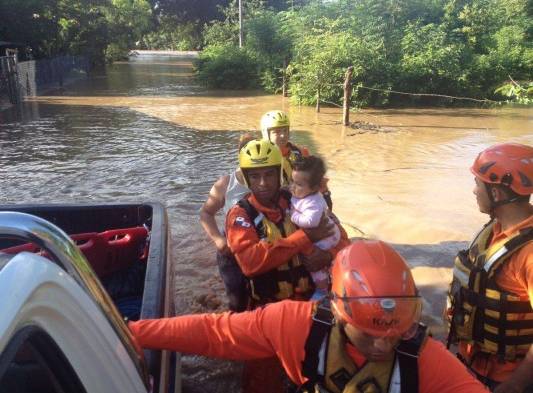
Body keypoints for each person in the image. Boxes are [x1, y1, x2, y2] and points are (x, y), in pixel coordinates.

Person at [130, 240, 489, 393]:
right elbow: (215, 333)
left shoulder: (425, 358)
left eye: (395, 333)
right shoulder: (292, 323)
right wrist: (133, 332)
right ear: (337, 310)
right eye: (369, 333)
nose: (384, 344)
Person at [225, 138, 349, 393]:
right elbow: (250, 263)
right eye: (255, 176)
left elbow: (343, 239)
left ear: (280, 172)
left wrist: (329, 255)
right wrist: (305, 237)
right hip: (267, 311)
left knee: (313, 373)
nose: (263, 183)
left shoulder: (303, 198)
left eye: (269, 174)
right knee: (261, 382)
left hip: (309, 305)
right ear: (246, 179)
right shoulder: (240, 215)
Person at [446, 143, 533, 392]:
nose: (474, 191)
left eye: (478, 184)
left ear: (496, 193)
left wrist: (513, 386)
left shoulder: (529, 254)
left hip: (507, 378)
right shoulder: (493, 230)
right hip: (472, 363)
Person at [199, 133, 254, 312]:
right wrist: (218, 241)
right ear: (240, 156)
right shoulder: (226, 184)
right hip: (232, 248)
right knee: (237, 300)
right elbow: (206, 213)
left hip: (261, 246)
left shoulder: (270, 180)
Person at [260, 110, 333, 210]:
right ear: (266, 133)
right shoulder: (260, 159)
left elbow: (315, 178)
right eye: (276, 132)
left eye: (285, 130)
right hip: (278, 204)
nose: (283, 135)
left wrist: (325, 194)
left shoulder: (300, 151)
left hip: (300, 201)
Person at [290, 155, 340, 300]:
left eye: (298, 184)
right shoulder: (303, 194)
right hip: (326, 233)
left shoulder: (314, 202)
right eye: (292, 181)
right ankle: (332, 274)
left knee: (313, 260)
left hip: (328, 236)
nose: (293, 186)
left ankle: (322, 289)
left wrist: (293, 215)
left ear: (315, 188)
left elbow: (310, 221)